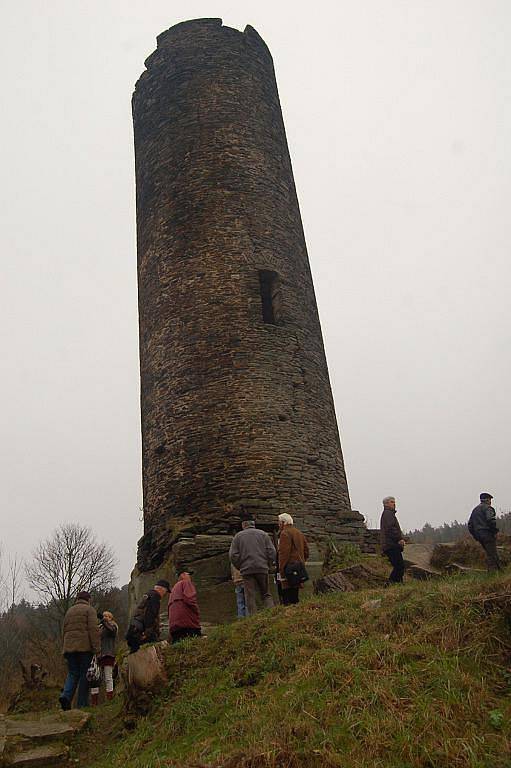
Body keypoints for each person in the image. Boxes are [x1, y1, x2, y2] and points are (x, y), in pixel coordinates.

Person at [59, 591, 100, 710]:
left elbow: (64, 631)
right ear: (88, 599)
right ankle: (82, 703)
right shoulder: (90, 610)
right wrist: (97, 649)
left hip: (69, 648)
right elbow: (93, 631)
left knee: (72, 673)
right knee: (84, 675)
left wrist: (65, 647)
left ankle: (66, 697)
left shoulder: (69, 611)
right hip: (84, 648)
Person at [229, 520, 276, 616]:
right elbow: (272, 551)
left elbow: (233, 555)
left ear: (243, 525)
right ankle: (272, 615)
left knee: (250, 596)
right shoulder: (263, 534)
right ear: (253, 524)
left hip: (246, 570)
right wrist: (268, 564)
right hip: (262, 568)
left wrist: (240, 566)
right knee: (266, 593)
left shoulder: (238, 536)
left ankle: (252, 618)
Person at [125, 579, 170, 653]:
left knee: (134, 652)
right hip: (140, 631)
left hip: (133, 629)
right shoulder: (155, 597)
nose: (165, 594)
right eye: (166, 591)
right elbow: (150, 615)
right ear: (161, 589)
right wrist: (147, 633)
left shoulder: (148, 595)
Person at [277, 513, 309, 605]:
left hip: (288, 570)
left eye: (279, 522)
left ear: (283, 523)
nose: (278, 525)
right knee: (295, 596)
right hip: (298, 568)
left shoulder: (284, 533)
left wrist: (281, 570)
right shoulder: (299, 533)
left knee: (287, 598)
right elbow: (306, 551)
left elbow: (284, 554)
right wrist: (301, 562)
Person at [468, 492, 501, 572]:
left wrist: (476, 536)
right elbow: (491, 520)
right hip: (487, 534)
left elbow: (470, 525)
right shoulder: (488, 508)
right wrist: (494, 531)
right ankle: (494, 573)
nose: (490, 502)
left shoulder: (475, 510)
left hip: (479, 536)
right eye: (490, 500)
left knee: (489, 553)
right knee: (492, 554)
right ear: (488, 500)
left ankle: (496, 571)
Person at [168, 571, 202, 643]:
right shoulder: (186, 583)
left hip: (174, 626)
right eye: (188, 574)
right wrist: (197, 612)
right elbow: (190, 599)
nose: (190, 577)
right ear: (183, 575)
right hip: (187, 624)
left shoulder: (174, 588)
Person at [380, 496, 405, 584]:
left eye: (394, 502)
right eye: (391, 502)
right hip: (391, 545)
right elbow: (390, 529)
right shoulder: (388, 513)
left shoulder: (389, 514)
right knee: (399, 566)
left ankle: (399, 584)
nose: (394, 504)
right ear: (386, 504)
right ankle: (390, 584)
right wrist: (399, 539)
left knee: (399, 566)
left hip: (391, 544)